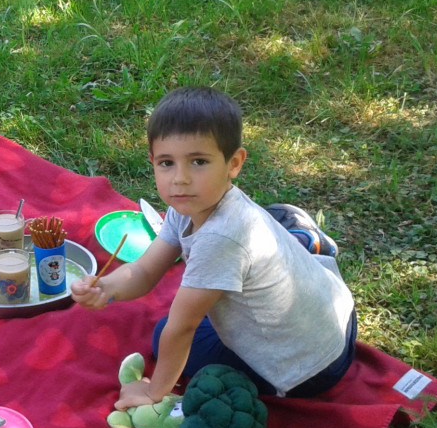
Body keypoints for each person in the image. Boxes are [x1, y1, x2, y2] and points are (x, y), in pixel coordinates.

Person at [71, 86, 356, 409]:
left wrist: (154, 393)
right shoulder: (191, 206)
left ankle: (300, 236)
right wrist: (106, 288)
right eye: (167, 163)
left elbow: (182, 328)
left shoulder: (220, 239)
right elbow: (145, 269)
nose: (180, 179)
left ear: (233, 163)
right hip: (337, 316)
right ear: (152, 162)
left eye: (198, 162)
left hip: (310, 369)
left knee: (165, 334)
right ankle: (300, 237)